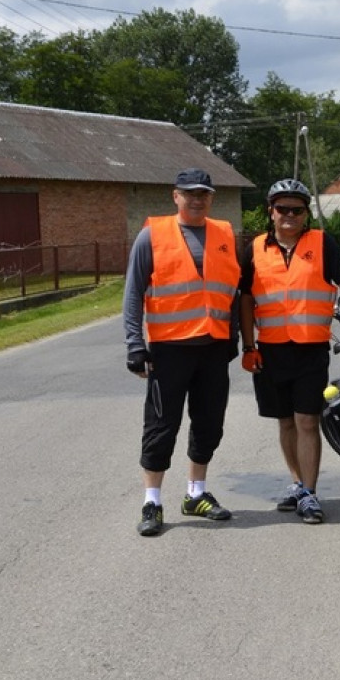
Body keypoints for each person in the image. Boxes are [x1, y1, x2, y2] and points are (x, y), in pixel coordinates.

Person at [238, 179, 340, 525]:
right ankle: (298, 484)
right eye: (282, 209)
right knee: (285, 421)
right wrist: (249, 346)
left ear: (306, 214)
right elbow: (246, 300)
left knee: (306, 420)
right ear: (270, 212)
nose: (289, 215)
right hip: (270, 350)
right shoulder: (254, 249)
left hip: (310, 349)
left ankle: (311, 494)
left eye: (296, 210)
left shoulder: (321, 243)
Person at [123, 168, 240, 537]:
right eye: (188, 192)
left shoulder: (224, 234)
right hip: (169, 350)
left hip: (213, 348)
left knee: (209, 424)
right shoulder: (151, 236)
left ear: (211, 197)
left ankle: (196, 494)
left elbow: (232, 291)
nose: (196, 198)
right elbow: (133, 294)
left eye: (203, 193)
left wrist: (233, 335)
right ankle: (152, 501)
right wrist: (134, 345)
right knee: (161, 426)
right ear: (175, 196)